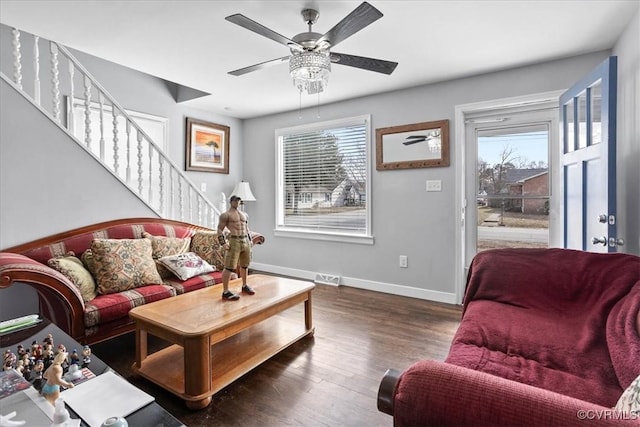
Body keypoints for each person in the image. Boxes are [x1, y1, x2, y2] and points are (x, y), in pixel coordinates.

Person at [217, 195, 255, 300]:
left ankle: (244, 285)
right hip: (234, 240)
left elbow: (247, 228)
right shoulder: (226, 215)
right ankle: (225, 291)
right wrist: (223, 243)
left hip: (245, 241)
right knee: (229, 266)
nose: (237, 203)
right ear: (231, 202)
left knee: (245, 265)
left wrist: (250, 239)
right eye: (235, 201)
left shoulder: (245, 215)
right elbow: (220, 229)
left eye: (239, 201)